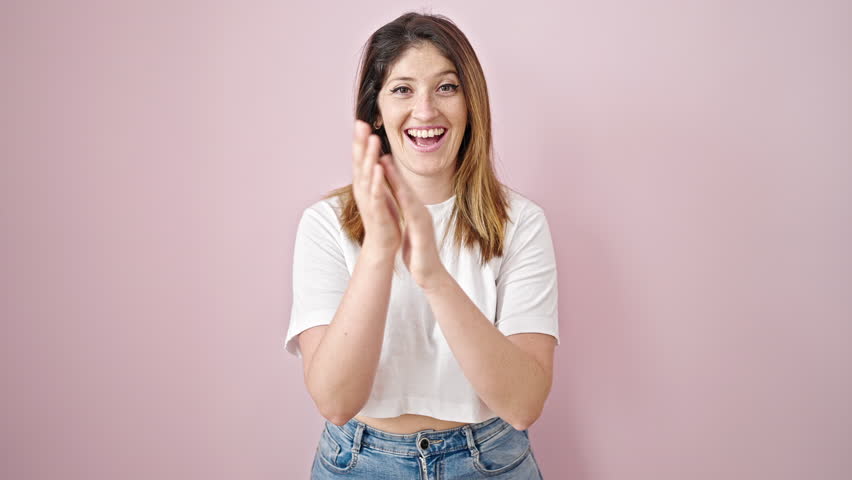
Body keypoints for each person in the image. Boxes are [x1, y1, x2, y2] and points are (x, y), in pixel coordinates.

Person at [285, 12, 559, 479]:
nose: (426, 111)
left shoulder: (522, 224)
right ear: (376, 110)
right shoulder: (325, 224)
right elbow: (335, 401)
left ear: (471, 103)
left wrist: (432, 275)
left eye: (446, 87)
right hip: (358, 462)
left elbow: (523, 404)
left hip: (491, 461)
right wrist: (378, 251)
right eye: (402, 89)